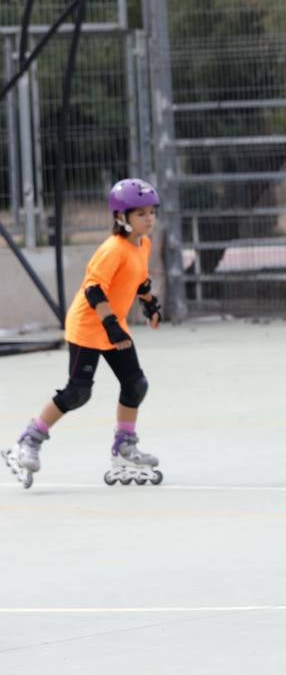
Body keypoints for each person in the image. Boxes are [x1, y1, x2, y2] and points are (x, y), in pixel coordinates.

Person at [1, 179, 164, 489]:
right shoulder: (111, 250)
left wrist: (150, 304)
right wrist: (111, 325)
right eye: (141, 214)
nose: (149, 219)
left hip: (113, 327)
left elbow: (139, 281)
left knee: (135, 384)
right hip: (89, 327)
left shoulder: (143, 244)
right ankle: (29, 440)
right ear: (121, 217)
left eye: (151, 212)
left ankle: (124, 447)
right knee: (78, 392)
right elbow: (93, 289)